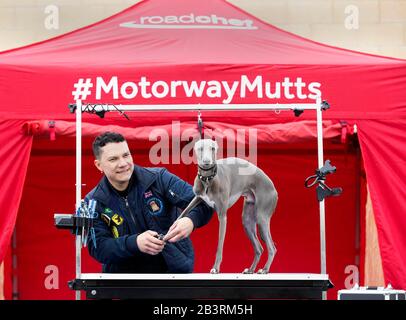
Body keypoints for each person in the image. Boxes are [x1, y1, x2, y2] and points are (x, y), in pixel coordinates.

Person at [86, 131, 214, 273]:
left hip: (173, 276)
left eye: (126, 155)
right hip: (124, 283)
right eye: (113, 159)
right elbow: (98, 248)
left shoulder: (159, 178)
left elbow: (205, 201)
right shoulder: (93, 202)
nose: (123, 163)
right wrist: (135, 243)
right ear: (99, 165)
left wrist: (190, 221)